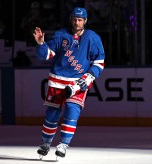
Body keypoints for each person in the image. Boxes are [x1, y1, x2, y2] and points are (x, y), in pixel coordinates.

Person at [33, 7, 105, 158]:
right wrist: (41, 44)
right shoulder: (61, 35)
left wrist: (88, 77)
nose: (77, 22)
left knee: (72, 112)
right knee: (52, 115)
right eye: (74, 19)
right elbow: (47, 55)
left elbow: (99, 62)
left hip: (77, 83)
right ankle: (45, 143)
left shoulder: (92, 38)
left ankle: (63, 145)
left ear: (85, 21)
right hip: (57, 81)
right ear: (71, 19)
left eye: (80, 20)